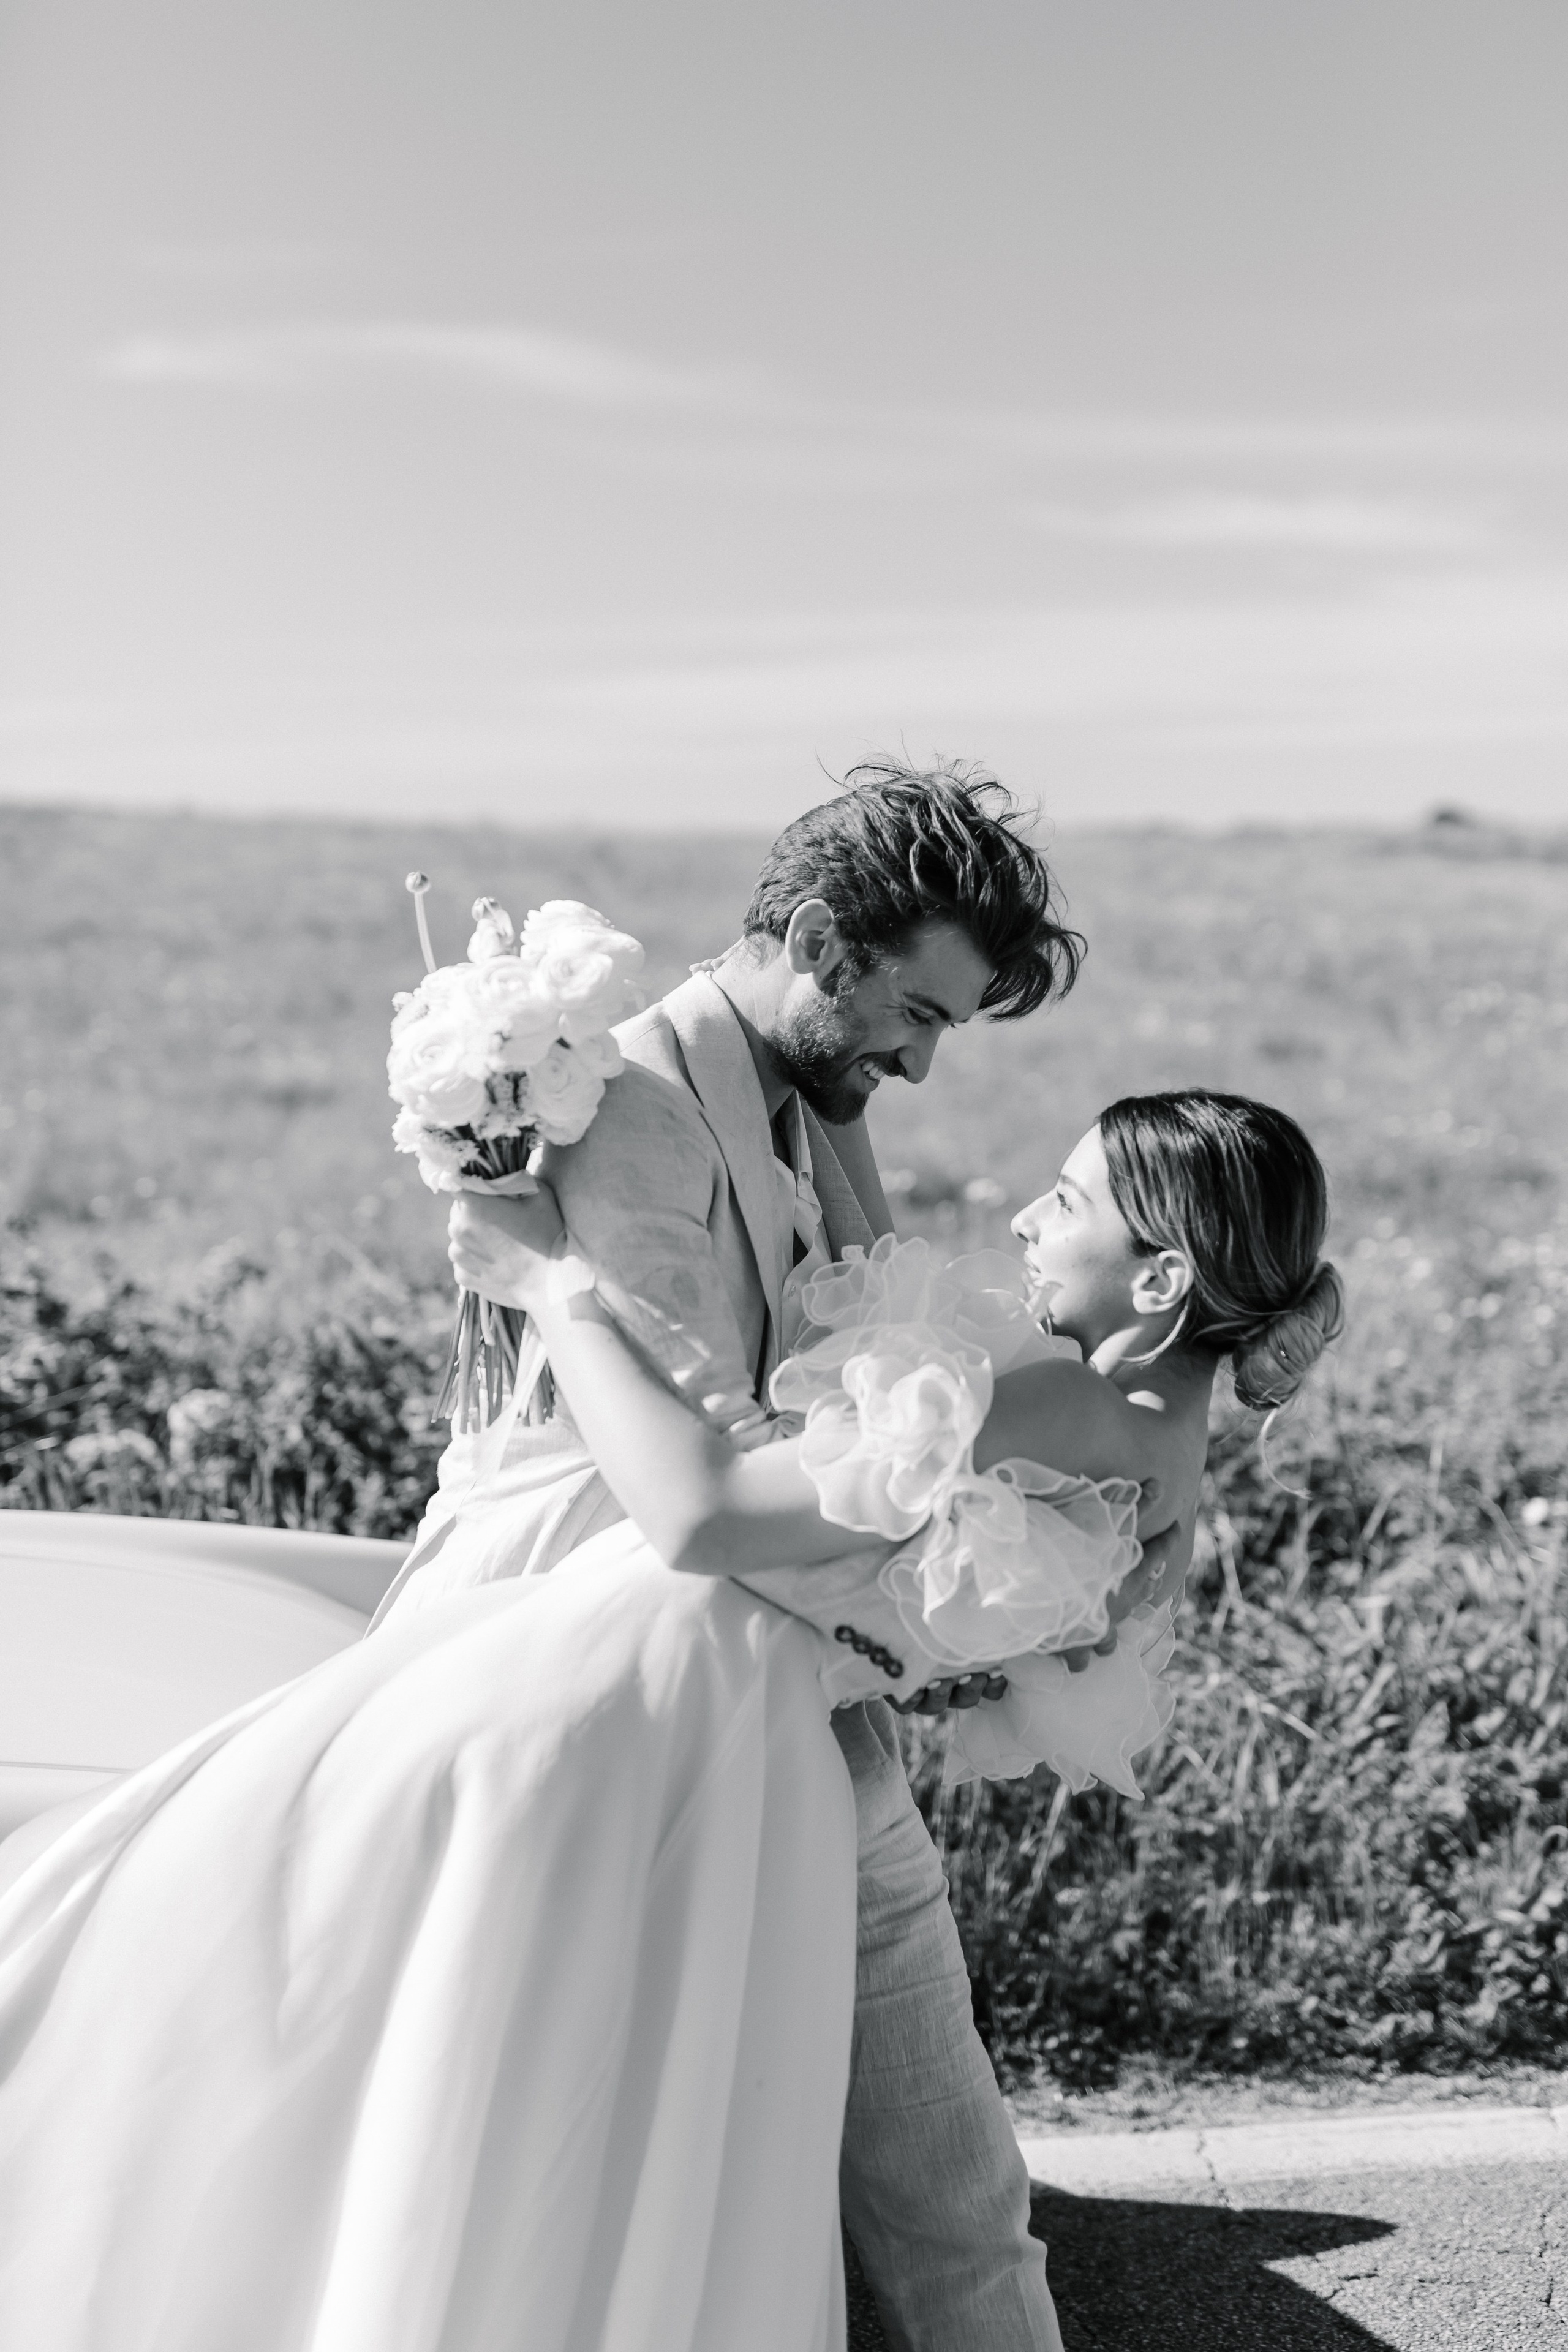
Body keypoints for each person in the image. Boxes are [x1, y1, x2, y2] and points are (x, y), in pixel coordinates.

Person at [0, 1089, 1340, 2352]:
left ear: (1159, 1283)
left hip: (661, 1680)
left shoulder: (1061, 1404)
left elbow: (704, 1514)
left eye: (1064, 1201)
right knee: (906, 2186)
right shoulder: (1166, 1454)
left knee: (335, 1947)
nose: (1026, 1222)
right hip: (793, 1735)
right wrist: (831, 1111)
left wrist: (551, 1289)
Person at [371, 760, 1167, 2352]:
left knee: (943, 2210)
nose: (925, 1063)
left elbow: (866, 1386)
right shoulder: (647, 1119)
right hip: (662, 1730)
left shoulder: (814, 1108)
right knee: (807, 2224)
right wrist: (938, 1625)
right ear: (817, 931)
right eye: (919, 1013)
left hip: (808, 1717)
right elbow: (706, 1473)